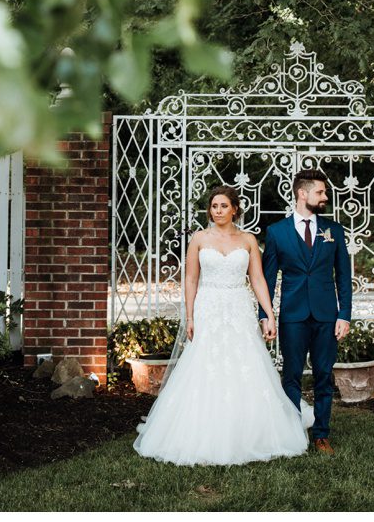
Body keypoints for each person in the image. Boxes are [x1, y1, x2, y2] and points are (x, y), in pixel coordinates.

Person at [132, 185, 310, 465]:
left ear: (235, 209)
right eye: (214, 206)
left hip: (238, 307)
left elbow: (258, 280)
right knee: (206, 363)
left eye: (223, 206)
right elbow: (190, 280)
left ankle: (251, 431)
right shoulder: (199, 239)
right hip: (209, 308)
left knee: (245, 363)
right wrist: (190, 316)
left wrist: (269, 313)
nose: (218, 211)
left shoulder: (249, 240)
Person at [259, 170, 353, 453]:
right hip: (293, 316)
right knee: (291, 375)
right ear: (303, 194)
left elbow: (343, 277)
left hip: (326, 316)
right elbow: (267, 278)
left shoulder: (333, 231)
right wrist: (265, 316)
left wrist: (344, 314)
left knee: (324, 375)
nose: (325, 197)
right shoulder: (277, 232)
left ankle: (321, 434)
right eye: (321, 192)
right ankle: (292, 434)